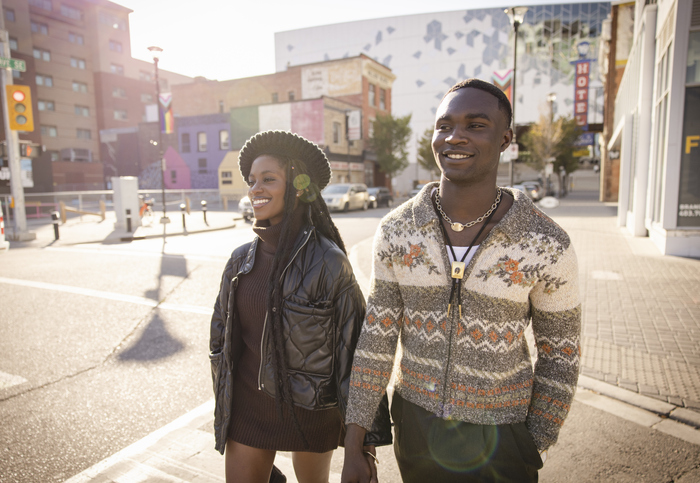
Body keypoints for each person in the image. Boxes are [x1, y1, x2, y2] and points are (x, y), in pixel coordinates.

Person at [342, 79, 581, 483]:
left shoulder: (546, 243)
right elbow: (377, 339)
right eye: (444, 125)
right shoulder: (397, 231)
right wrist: (355, 441)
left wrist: (533, 440)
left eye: (475, 125)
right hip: (416, 428)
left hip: (501, 437)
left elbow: (561, 354)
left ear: (505, 138)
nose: (455, 137)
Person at [209, 130, 391, 483]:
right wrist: (226, 406)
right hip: (248, 412)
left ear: (296, 185)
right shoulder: (239, 262)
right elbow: (220, 342)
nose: (255, 189)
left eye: (268, 179)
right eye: (251, 181)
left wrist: (363, 448)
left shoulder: (329, 261)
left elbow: (358, 353)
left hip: (311, 416)